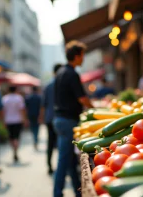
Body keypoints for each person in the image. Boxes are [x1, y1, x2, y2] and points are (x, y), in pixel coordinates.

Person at [54, 40, 94, 197]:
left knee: (70, 159)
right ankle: (57, 193)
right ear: (77, 56)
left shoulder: (61, 72)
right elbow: (82, 98)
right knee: (63, 160)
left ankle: (77, 189)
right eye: (82, 55)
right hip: (67, 121)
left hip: (60, 120)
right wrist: (95, 110)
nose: (83, 58)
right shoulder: (72, 74)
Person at [40, 63, 61, 175]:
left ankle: (49, 165)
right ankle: (61, 166)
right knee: (61, 143)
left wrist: (42, 118)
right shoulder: (62, 85)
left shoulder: (48, 86)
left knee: (50, 143)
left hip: (49, 118)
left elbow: (43, 105)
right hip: (60, 118)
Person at [2, 86, 28, 163]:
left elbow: (3, 111)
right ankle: (15, 151)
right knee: (17, 137)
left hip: (8, 120)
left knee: (11, 137)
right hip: (18, 120)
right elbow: (22, 110)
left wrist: (3, 121)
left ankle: (13, 150)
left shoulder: (5, 99)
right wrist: (24, 119)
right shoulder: (19, 98)